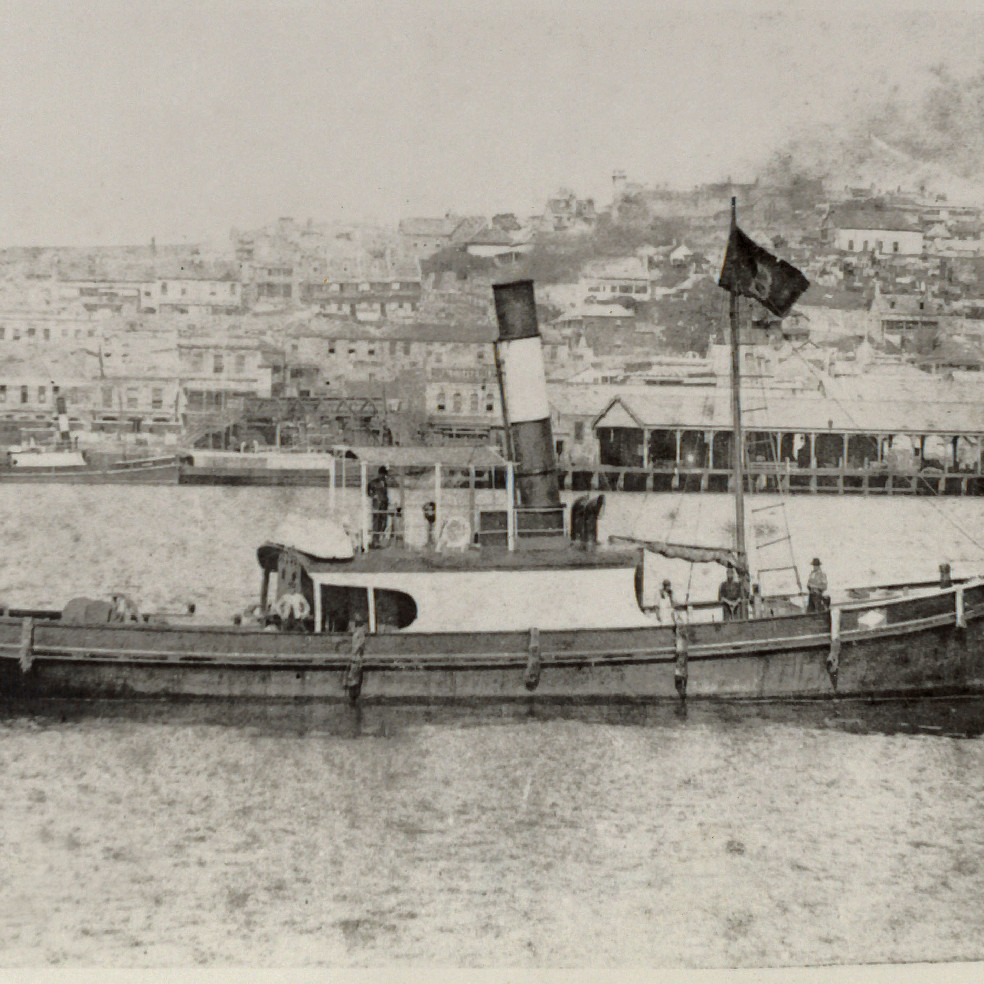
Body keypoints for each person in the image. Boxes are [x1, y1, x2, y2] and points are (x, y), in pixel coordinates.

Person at [367, 466, 390, 548]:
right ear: (380, 474)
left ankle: (380, 540)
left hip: (384, 505)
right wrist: (374, 496)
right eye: (383, 474)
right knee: (376, 523)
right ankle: (375, 541)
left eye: (385, 475)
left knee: (384, 523)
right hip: (377, 505)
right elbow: (368, 492)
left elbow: (385, 494)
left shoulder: (385, 483)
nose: (384, 476)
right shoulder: (373, 482)